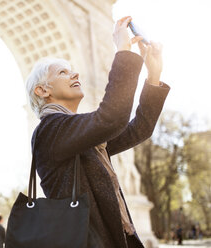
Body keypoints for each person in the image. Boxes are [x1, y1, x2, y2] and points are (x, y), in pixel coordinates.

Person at [25, 16, 170, 248]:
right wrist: (123, 50)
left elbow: (139, 129)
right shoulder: (50, 131)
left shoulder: (81, 137)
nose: (75, 75)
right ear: (42, 90)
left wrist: (153, 76)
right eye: (63, 73)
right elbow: (111, 118)